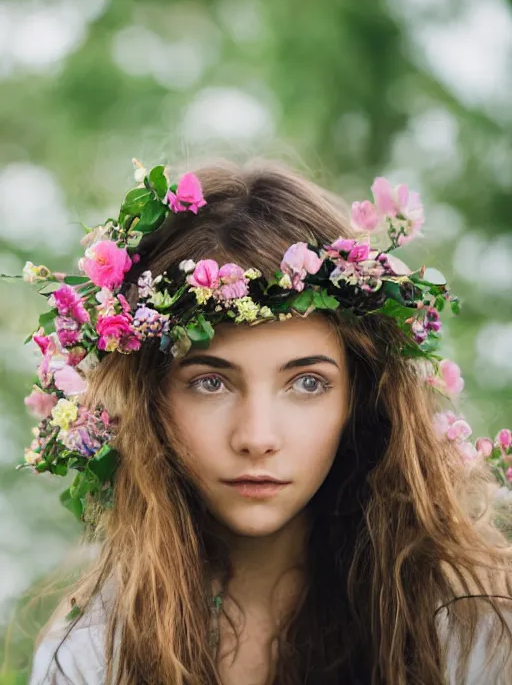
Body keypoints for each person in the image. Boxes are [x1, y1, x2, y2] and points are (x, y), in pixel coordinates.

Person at [23, 158, 512, 684]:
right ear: (152, 402)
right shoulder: (94, 649)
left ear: (360, 398)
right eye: (211, 382)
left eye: (306, 383)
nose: (257, 437)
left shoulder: (469, 625)